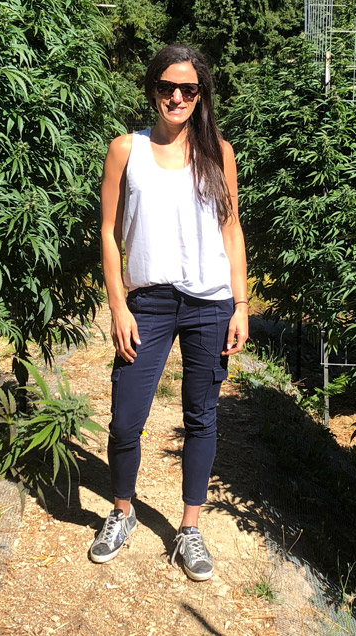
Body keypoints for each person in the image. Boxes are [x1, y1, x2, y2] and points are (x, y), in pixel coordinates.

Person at [88, 44, 249, 581]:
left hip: (209, 303)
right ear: (152, 90)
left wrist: (241, 304)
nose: (176, 97)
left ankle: (189, 529)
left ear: (200, 95)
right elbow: (109, 235)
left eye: (188, 89)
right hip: (148, 304)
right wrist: (117, 305)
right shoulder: (124, 150)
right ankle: (122, 511)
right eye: (166, 87)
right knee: (126, 416)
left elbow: (232, 229)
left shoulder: (217, 152)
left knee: (201, 416)